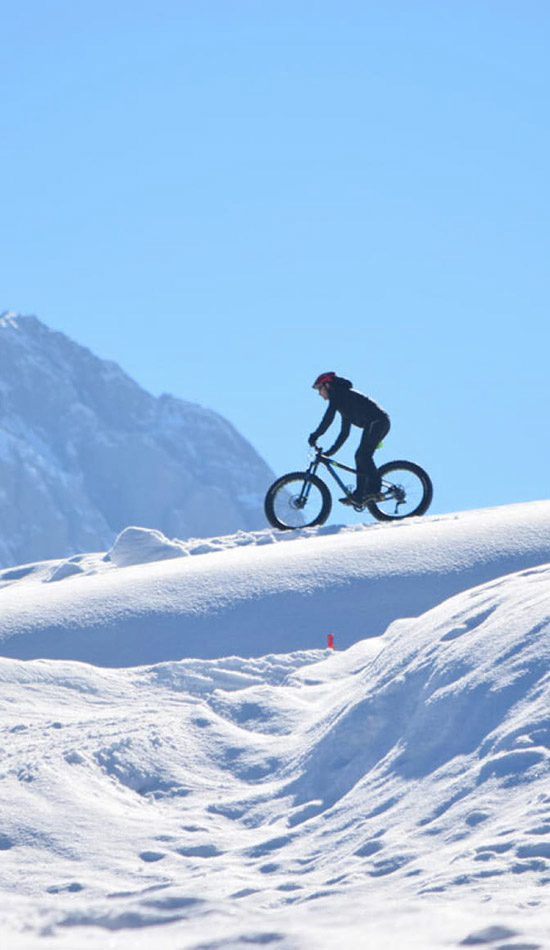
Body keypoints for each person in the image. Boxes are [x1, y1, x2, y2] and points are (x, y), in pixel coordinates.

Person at [308, 372, 390, 505]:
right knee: (360, 456)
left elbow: (328, 419)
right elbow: (344, 433)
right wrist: (330, 452)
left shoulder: (338, 395)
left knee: (363, 455)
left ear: (327, 385)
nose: (319, 394)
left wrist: (315, 435)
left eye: (319, 389)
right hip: (375, 423)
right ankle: (360, 494)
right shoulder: (343, 400)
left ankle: (375, 490)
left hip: (378, 421)